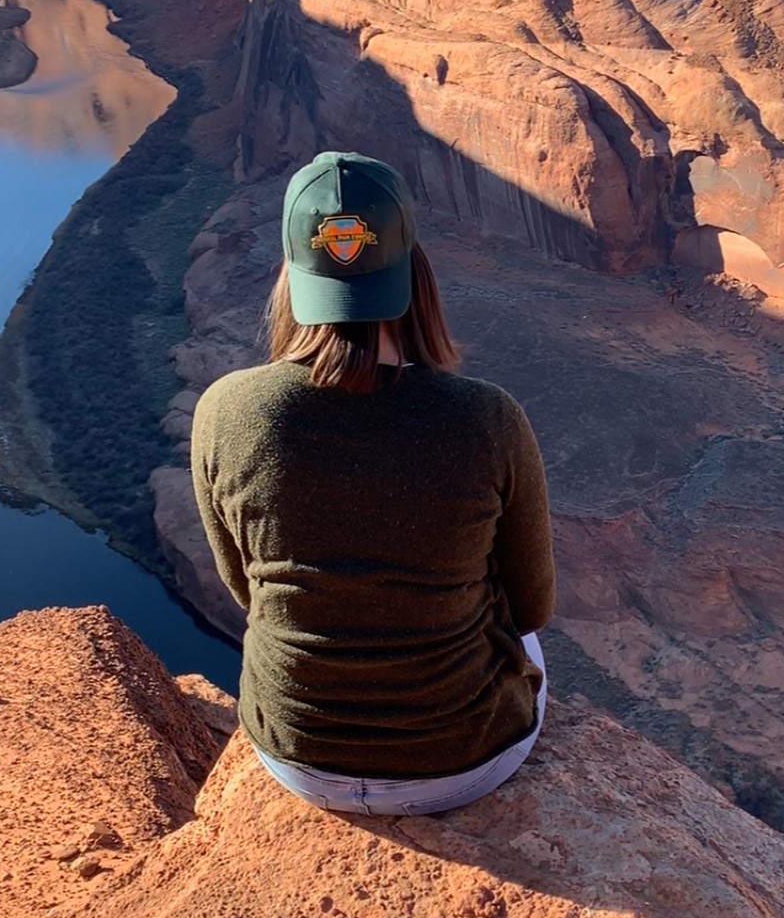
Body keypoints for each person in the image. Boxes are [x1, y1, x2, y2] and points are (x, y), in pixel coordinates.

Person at [189, 151, 555, 816]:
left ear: (291, 274)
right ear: (415, 274)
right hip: (464, 759)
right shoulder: (486, 418)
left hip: (296, 754)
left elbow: (245, 588)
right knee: (524, 640)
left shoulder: (224, 410)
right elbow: (530, 608)